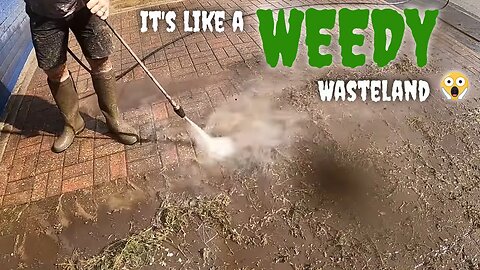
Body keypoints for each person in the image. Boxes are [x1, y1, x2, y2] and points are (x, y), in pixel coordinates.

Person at [25, 0, 139, 153]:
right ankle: (73, 123)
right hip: (42, 12)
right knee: (54, 69)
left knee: (101, 59)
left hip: (85, 5)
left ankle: (114, 119)